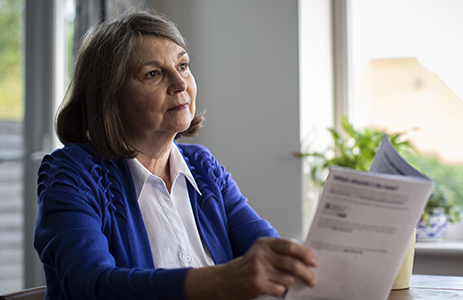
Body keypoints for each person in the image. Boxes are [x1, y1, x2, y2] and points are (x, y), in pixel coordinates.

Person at [34, 10, 318, 300]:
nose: (180, 84)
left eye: (183, 65)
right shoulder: (72, 174)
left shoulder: (203, 167)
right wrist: (221, 280)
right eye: (153, 74)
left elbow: (263, 245)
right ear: (111, 98)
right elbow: (89, 285)